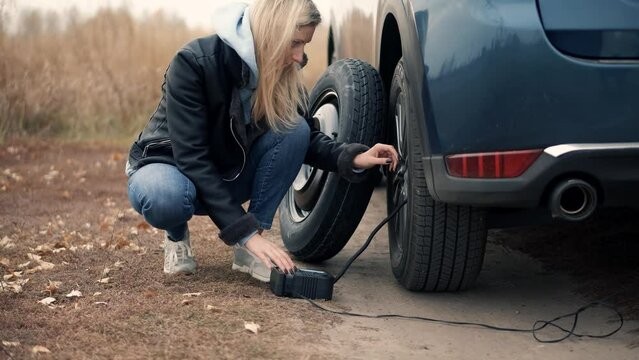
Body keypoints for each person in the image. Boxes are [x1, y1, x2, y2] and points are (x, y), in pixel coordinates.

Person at [125, 0, 398, 282]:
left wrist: (352, 157)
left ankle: (252, 247)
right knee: (166, 198)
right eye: (295, 43)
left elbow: (304, 137)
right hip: (168, 166)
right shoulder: (195, 62)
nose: (299, 56)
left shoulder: (281, 71)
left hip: (226, 172)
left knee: (294, 130)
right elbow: (192, 158)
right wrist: (242, 234)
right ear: (272, 32)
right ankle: (177, 235)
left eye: (304, 45)